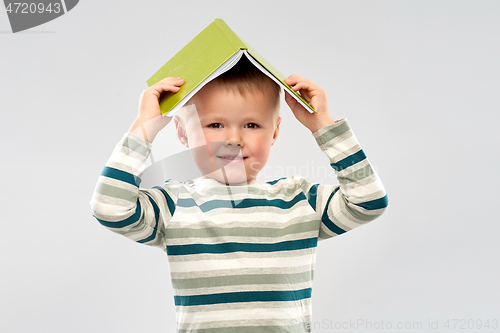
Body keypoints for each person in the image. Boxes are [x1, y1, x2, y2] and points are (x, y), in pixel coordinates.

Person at [90, 57, 388, 332]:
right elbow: (110, 208)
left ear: (274, 132)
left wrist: (323, 125)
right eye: (215, 124)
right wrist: (143, 128)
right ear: (182, 132)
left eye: (252, 125)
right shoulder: (174, 205)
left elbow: (368, 201)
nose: (234, 138)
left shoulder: (299, 200)